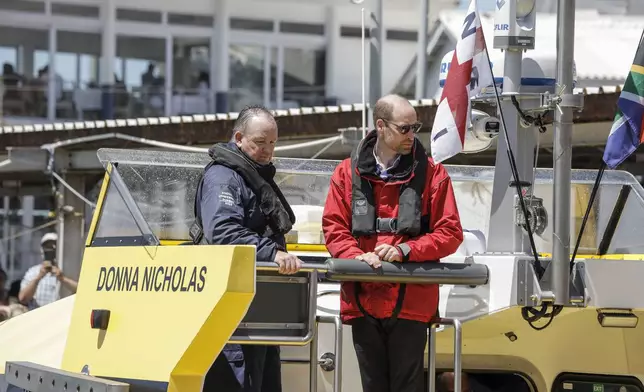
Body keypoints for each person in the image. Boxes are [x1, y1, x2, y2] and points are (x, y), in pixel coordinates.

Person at [322, 94, 464, 392]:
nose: (412, 135)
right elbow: (334, 228)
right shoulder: (346, 173)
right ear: (381, 126)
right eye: (405, 128)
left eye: (416, 127)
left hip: (411, 300)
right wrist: (355, 256)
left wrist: (404, 250)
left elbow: (450, 232)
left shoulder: (433, 174)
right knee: (371, 385)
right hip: (362, 297)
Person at [192, 105, 302, 392]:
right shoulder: (223, 177)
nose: (268, 150)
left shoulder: (253, 174)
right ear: (239, 138)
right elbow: (222, 231)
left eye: (273, 143)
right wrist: (272, 253)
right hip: (233, 311)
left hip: (259, 308)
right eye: (260, 143)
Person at [18, 232, 78, 310]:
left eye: (53, 246)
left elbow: (81, 290)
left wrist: (63, 279)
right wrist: (39, 277)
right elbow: (22, 298)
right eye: (47, 247)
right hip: (36, 316)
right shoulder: (33, 272)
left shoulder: (66, 270)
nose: (50, 250)